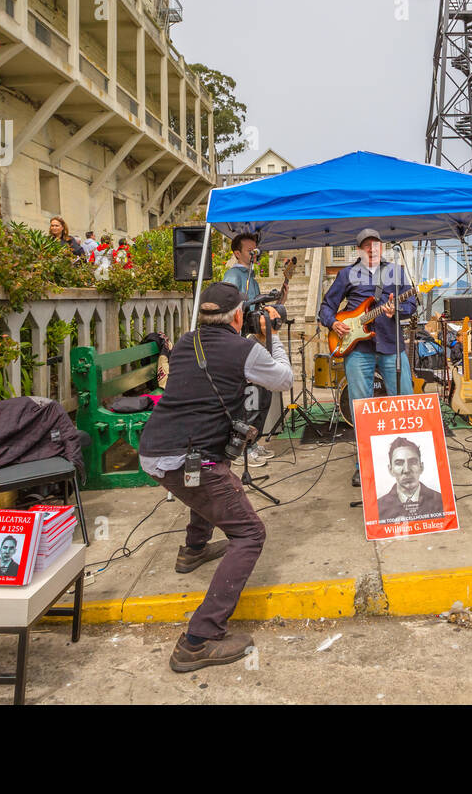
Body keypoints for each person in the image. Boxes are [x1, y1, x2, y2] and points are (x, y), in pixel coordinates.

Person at [138, 282, 292, 673]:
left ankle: (194, 548)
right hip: (187, 458)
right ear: (239, 316)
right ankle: (199, 639)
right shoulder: (246, 349)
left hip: (157, 447)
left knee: (207, 482)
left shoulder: (189, 340)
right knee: (249, 533)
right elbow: (283, 380)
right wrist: (272, 335)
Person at [319, 229, 416, 487]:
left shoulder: (395, 271)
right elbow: (326, 307)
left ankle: (408, 462)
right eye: (366, 246)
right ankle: (364, 465)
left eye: (375, 244)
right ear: (359, 250)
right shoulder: (347, 274)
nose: (371, 249)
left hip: (391, 344)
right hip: (357, 348)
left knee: (404, 402)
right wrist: (333, 324)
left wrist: (397, 309)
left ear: (382, 247)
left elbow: (413, 305)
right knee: (361, 409)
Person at [220, 232, 279, 467]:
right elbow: (234, 307)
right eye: (250, 251)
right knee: (250, 396)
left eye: (257, 250)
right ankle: (242, 447)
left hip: (255, 340)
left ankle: (253, 442)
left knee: (262, 392)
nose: (255, 254)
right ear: (237, 253)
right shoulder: (234, 275)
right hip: (242, 342)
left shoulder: (250, 275)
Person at [376, 436, 445, 522]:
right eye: (399, 463)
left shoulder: (441, 501)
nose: (407, 470)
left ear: (421, 467)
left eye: (412, 462)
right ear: (390, 470)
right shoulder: (378, 507)